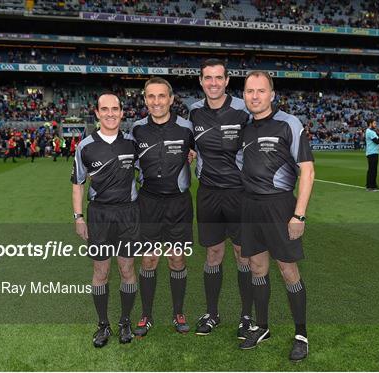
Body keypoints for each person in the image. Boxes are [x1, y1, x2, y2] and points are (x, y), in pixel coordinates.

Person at [238, 71, 314, 362]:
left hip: (280, 207)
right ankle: (262, 326)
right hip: (250, 206)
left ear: (272, 94)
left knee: (288, 270)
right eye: (249, 91)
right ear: (244, 95)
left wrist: (299, 215)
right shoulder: (245, 128)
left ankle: (301, 334)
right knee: (257, 268)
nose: (254, 96)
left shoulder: (289, 123)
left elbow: (307, 170)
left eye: (260, 90)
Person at [189, 58, 253, 338]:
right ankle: (212, 313)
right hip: (208, 193)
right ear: (201, 81)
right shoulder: (193, 112)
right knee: (213, 253)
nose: (213, 83)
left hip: (239, 192)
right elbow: (189, 145)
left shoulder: (243, 109)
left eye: (218, 78)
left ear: (227, 81)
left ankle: (246, 315)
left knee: (243, 254)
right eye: (207, 78)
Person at [71, 93, 140, 347]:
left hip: (128, 214)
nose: (110, 113)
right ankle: (103, 325)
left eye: (115, 109)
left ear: (122, 113)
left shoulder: (132, 144)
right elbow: (78, 184)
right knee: (101, 271)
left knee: (127, 269)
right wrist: (78, 217)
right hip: (99, 214)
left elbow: (146, 173)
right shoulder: (85, 146)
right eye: (105, 109)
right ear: (97, 113)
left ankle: (124, 321)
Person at [130, 77, 194, 337]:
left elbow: (203, 152)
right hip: (148, 203)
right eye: (151, 96)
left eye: (161, 96)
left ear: (170, 99)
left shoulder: (186, 128)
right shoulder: (136, 129)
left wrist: (195, 154)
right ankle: (146, 315)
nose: (156, 102)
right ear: (145, 99)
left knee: (176, 259)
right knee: (149, 259)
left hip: (179, 203)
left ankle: (178, 312)